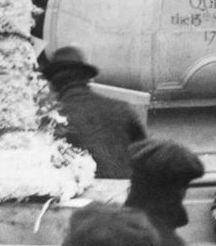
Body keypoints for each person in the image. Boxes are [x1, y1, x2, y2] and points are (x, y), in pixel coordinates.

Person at [40, 46, 145, 179]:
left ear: (53, 84)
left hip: (85, 191)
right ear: (86, 78)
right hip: (126, 188)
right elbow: (146, 157)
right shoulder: (122, 109)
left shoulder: (53, 121)